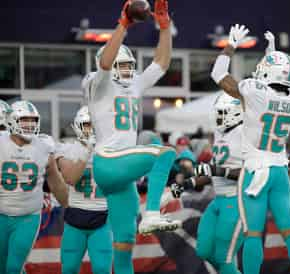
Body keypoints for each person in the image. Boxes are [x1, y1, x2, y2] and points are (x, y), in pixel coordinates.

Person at [83, 1, 180, 273]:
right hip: (108, 161)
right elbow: (103, 62)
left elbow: (161, 62)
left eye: (129, 65)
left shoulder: (134, 84)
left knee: (125, 246)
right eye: (121, 64)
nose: (126, 70)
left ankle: (148, 216)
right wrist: (123, 24)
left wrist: (164, 27)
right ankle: (151, 213)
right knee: (165, 153)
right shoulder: (97, 84)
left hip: (122, 174)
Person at [210, 25, 290, 274]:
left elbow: (218, 73)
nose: (258, 71)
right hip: (280, 170)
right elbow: (279, 84)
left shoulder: (255, 94)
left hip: (255, 171)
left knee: (253, 234)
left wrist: (231, 45)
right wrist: (273, 53)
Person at [171, 93, 244, 274]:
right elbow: (212, 171)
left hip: (236, 201)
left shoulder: (246, 135)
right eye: (218, 113)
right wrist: (187, 184)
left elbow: (251, 173)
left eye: (222, 113)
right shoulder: (220, 135)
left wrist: (218, 171)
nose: (218, 118)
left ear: (234, 113)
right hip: (218, 199)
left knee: (223, 257)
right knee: (203, 250)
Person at [0, 100, 68, 274]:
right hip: (1, 214)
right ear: (12, 120)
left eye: (33, 120)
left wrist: (70, 206)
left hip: (28, 217)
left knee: (13, 267)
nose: (30, 125)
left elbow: (55, 181)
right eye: (24, 120)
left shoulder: (44, 146)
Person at [56, 106, 112, 274]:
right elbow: (70, 178)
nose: (92, 129)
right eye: (88, 124)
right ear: (78, 126)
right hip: (75, 216)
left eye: (95, 125)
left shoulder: (110, 150)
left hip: (103, 216)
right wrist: (87, 152)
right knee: (69, 268)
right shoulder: (67, 149)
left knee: (102, 269)